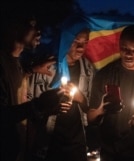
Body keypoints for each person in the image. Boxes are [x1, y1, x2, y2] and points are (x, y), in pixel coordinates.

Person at [87, 25, 134, 161]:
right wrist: (101, 110)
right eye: (125, 49)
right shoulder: (104, 75)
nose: (129, 54)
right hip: (110, 152)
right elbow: (90, 118)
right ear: (119, 45)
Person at [0, 16, 66, 161]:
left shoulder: (16, 62)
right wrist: (39, 104)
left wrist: (31, 70)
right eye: (32, 25)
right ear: (14, 27)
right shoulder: (2, 64)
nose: (39, 31)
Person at [28, 24, 95, 161]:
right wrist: (50, 108)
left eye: (85, 43)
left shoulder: (88, 69)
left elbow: (91, 108)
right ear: (65, 39)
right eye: (76, 41)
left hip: (76, 144)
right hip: (47, 143)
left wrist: (80, 98)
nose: (81, 48)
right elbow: (29, 104)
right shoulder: (45, 65)